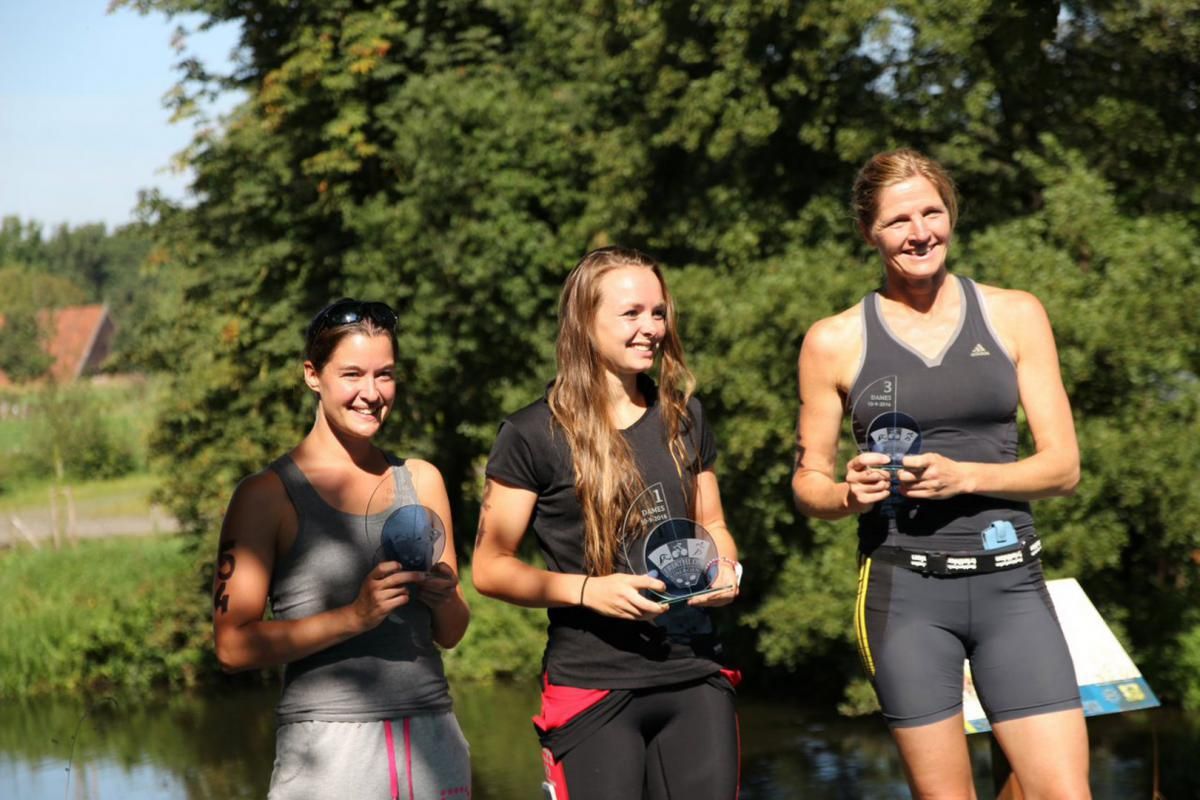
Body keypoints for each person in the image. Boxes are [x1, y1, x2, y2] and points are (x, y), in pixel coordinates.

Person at [792, 149, 1091, 799]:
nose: (920, 232)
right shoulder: (833, 341)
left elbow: (1063, 467)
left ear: (951, 215)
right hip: (906, 597)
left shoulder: (1015, 314)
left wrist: (965, 477)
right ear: (869, 232)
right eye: (899, 220)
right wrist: (846, 494)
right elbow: (808, 482)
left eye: (933, 212)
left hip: (1013, 586)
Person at [472, 246, 742, 800]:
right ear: (584, 323)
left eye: (658, 312)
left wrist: (725, 570)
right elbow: (490, 568)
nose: (651, 328)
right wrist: (589, 591)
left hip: (695, 673)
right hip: (592, 685)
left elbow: (712, 522)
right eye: (631, 313)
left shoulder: (684, 416)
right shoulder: (531, 434)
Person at [211, 298, 472, 799]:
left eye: (384, 374)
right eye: (352, 374)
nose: (371, 394)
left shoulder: (421, 480)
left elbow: (453, 631)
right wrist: (354, 616)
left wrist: (442, 597)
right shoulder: (266, 496)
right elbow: (231, 647)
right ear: (313, 375)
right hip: (329, 752)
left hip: (433, 738)